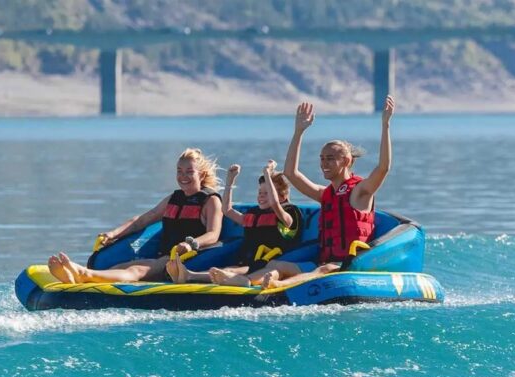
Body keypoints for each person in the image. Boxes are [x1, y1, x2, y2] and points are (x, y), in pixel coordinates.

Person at [262, 95, 395, 289]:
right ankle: (243, 281)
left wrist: (385, 125)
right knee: (276, 264)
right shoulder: (325, 194)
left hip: (349, 267)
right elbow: (290, 173)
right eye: (322, 158)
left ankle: (278, 286)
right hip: (324, 263)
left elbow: (383, 167)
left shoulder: (360, 191)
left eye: (330, 159)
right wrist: (298, 132)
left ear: (346, 161)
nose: (324, 163)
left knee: (323, 270)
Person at [48, 148, 223, 284]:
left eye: (189, 171)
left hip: (188, 259)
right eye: (179, 171)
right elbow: (142, 220)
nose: (183, 176)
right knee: (122, 267)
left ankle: (83, 274)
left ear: (201, 174)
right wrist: (113, 234)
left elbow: (213, 234)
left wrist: (191, 244)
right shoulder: (174, 198)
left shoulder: (211, 201)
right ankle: (78, 278)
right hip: (164, 257)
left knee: (137, 271)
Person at [166, 160, 302, 287]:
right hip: (251, 263)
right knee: (228, 270)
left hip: (271, 264)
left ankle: (245, 281)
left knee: (255, 271)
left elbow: (274, 204)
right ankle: (189, 275)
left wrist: (267, 174)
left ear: (282, 197)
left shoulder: (287, 216)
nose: (261, 195)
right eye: (260, 192)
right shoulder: (254, 215)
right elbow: (227, 210)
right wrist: (230, 181)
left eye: (266, 193)